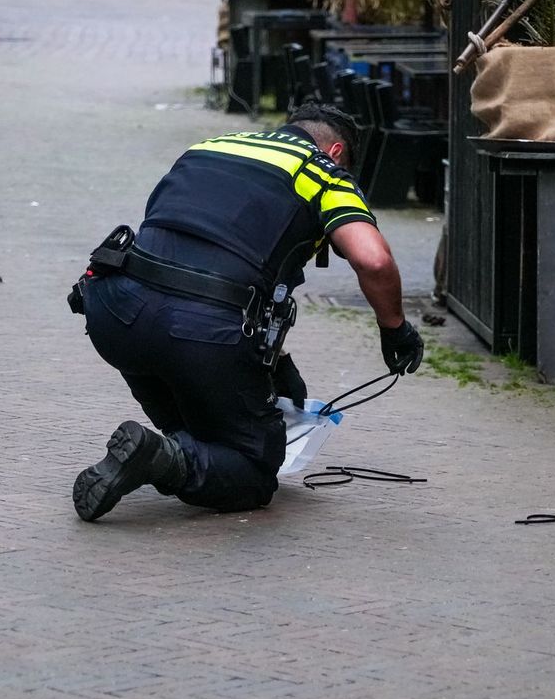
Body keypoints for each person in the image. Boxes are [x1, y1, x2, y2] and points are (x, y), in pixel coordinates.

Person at [69, 103, 424, 521]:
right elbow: (373, 260)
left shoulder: (209, 147)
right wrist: (394, 329)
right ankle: (160, 457)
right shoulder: (321, 172)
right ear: (337, 151)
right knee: (254, 472)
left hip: (116, 314)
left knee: (200, 428)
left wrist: (276, 365)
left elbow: (201, 253)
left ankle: (173, 449)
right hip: (199, 335)